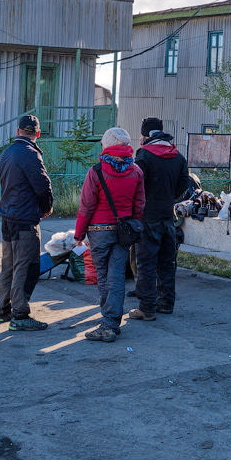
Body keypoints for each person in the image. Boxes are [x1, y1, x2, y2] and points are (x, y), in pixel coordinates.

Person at [73, 127, 145, 343]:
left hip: (99, 231)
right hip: (124, 231)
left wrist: (78, 233)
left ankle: (109, 324)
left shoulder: (96, 171)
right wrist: (131, 222)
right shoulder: (136, 171)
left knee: (104, 276)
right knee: (117, 277)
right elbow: (140, 204)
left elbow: (86, 206)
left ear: (106, 145)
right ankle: (112, 321)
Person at [0, 114, 55, 331]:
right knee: (26, 265)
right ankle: (19, 314)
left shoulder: (7, 153)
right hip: (24, 219)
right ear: (37, 133)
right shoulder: (31, 154)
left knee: (8, 264)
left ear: (18, 131)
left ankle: (2, 309)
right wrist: (47, 207)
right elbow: (43, 185)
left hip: (7, 216)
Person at [129, 117, 192, 321]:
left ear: (146, 135)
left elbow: (136, 184)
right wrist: (168, 198)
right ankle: (166, 303)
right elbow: (184, 185)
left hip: (147, 217)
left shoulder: (144, 155)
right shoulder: (178, 156)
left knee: (146, 263)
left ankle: (146, 308)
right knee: (167, 262)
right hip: (168, 216)